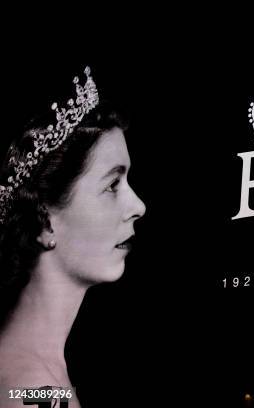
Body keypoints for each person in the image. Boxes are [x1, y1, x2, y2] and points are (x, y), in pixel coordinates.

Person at [0, 67, 146, 408]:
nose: (138, 205)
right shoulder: (35, 391)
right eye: (112, 185)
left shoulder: (41, 375)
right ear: (45, 223)